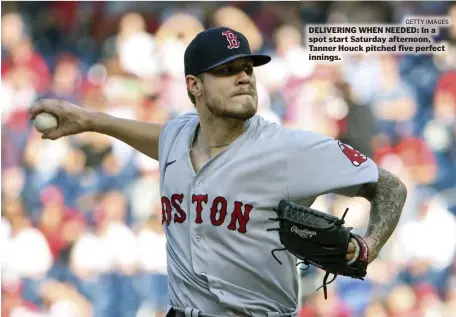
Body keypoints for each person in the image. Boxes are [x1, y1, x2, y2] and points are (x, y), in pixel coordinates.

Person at [30, 27, 408, 317]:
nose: (244, 77)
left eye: (247, 68)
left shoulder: (290, 149)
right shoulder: (178, 136)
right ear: (194, 86)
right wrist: (90, 121)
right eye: (227, 70)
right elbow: (158, 139)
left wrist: (368, 248)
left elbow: (390, 187)